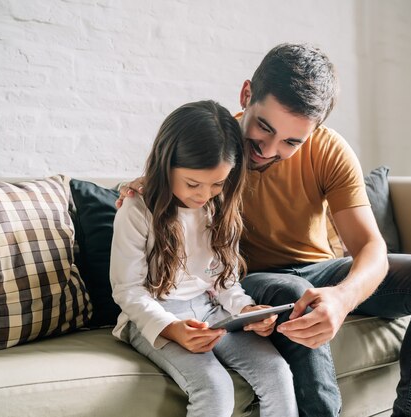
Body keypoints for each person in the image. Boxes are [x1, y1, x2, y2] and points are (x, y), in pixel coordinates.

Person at [117, 44, 411, 417]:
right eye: (263, 129)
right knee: (296, 293)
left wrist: (342, 298)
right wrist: (149, 186)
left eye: (291, 142)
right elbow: (178, 182)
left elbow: (370, 247)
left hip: (319, 269)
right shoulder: (218, 151)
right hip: (253, 279)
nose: (267, 150)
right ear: (246, 94)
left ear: (314, 131)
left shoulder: (330, 151)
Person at [110, 100, 298, 417]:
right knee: (215, 389)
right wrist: (171, 328)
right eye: (193, 184)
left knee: (277, 373)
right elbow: (128, 291)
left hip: (211, 311)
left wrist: (247, 310)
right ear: (165, 164)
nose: (203, 194)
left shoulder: (218, 206)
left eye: (218, 183)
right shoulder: (137, 210)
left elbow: (225, 283)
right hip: (153, 318)